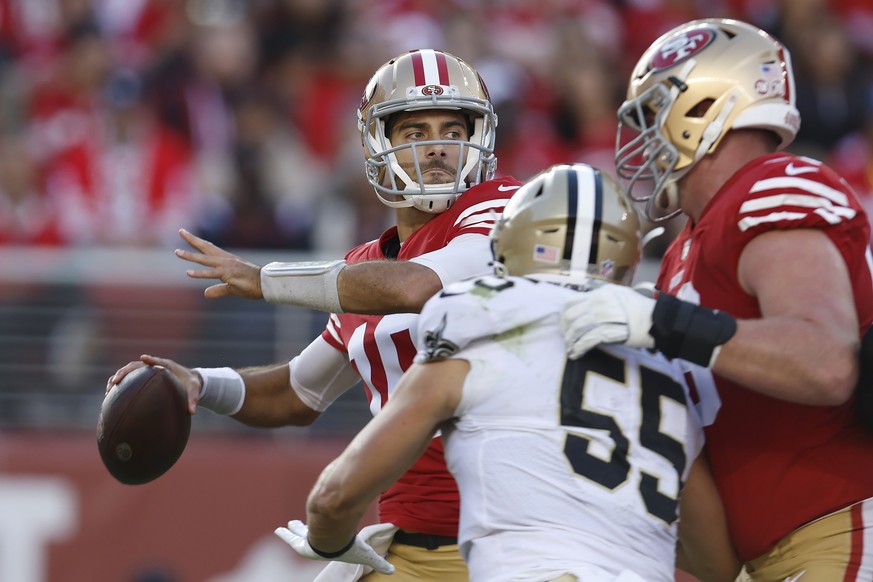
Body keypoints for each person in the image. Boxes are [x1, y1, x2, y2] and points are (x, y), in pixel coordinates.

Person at [109, 49, 521, 581]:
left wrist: (265, 280)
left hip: (508, 543)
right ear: (380, 143)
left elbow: (419, 285)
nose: (437, 147)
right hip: (409, 549)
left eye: (450, 129)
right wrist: (199, 383)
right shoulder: (362, 271)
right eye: (415, 132)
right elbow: (295, 394)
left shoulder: (504, 209)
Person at [275, 163, 740, 582]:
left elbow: (334, 498)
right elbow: (718, 564)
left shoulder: (480, 328)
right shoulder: (668, 371)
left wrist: (328, 540)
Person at [560, 18, 873, 581]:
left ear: (705, 107)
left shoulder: (773, 185)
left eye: (653, 114)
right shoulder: (685, 248)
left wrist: (660, 320)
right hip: (763, 557)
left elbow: (825, 363)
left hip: (838, 526)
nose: (643, 139)